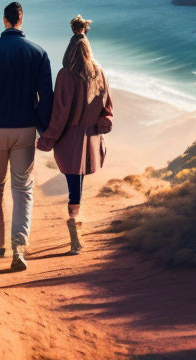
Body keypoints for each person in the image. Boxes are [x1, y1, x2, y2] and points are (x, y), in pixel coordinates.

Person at [0, 2, 53, 272]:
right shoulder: (39, 53)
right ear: (21, 20)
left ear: (4, 20)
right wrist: (44, 130)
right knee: (23, 189)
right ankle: (18, 247)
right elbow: (46, 98)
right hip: (25, 130)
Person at [37, 14, 113, 255]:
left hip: (70, 139)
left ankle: (74, 232)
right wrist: (100, 124)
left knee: (73, 185)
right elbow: (108, 109)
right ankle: (75, 226)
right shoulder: (99, 73)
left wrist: (47, 139)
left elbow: (59, 114)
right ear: (88, 49)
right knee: (78, 184)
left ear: (70, 50)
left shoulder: (65, 75)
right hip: (90, 139)